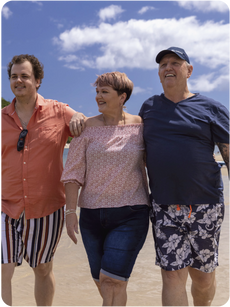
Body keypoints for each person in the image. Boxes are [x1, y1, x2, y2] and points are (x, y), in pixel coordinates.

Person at [139, 47, 230, 307]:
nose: (168, 67)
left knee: (202, 279)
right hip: (164, 206)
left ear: (188, 70)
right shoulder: (149, 108)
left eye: (175, 63)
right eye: (163, 64)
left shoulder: (212, 108)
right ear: (158, 74)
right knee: (172, 275)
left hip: (206, 204)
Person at [0, 54, 85, 307]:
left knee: (42, 268)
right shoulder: (0, 119)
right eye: (14, 76)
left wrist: (79, 115)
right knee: (2, 268)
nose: (19, 80)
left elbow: (86, 126)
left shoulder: (58, 111)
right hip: (4, 206)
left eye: (25, 76)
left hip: (47, 207)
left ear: (38, 80)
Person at [61, 72, 150, 307]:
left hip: (131, 213)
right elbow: (73, 174)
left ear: (122, 97)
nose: (98, 97)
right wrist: (70, 213)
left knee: (112, 280)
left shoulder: (140, 126)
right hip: (91, 216)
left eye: (104, 92)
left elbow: (157, 161)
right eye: (97, 92)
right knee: (102, 281)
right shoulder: (85, 128)